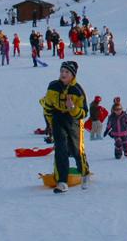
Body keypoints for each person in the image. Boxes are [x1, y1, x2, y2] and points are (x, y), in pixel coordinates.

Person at [41, 61, 91, 193]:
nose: (63, 74)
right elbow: (47, 107)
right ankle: (62, 181)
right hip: (58, 119)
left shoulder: (77, 90)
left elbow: (84, 112)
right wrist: (51, 123)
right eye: (62, 71)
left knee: (76, 149)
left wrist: (73, 108)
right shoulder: (53, 86)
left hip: (73, 120)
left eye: (66, 72)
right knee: (60, 149)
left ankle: (84, 173)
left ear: (72, 75)